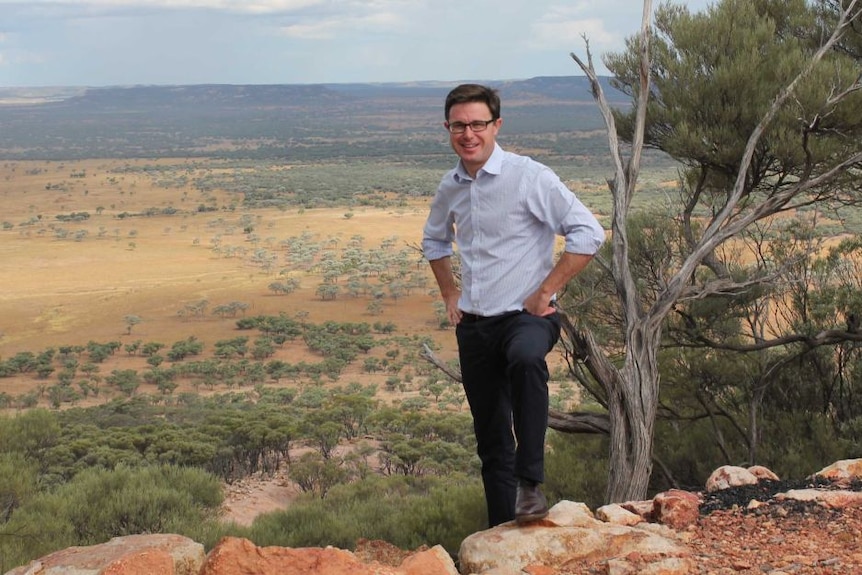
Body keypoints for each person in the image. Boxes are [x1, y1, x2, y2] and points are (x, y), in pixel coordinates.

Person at [422, 84, 605, 527]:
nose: (469, 134)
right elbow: (433, 240)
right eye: (460, 125)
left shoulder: (529, 176)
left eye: (478, 124)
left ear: (496, 126)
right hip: (475, 325)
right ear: (448, 129)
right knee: (490, 440)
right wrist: (450, 293)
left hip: (528, 318)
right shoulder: (451, 186)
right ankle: (503, 532)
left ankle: (531, 484)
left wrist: (546, 291)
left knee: (526, 360)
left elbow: (588, 233)